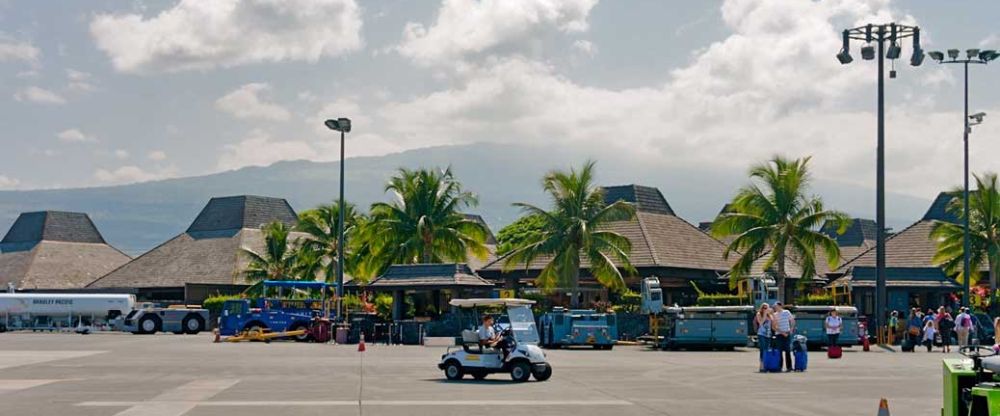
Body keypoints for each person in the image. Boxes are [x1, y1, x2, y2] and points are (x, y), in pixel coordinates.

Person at [772, 302, 796, 372]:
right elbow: (774, 327)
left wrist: (791, 329)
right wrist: (782, 332)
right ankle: (779, 367)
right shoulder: (774, 315)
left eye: (776, 306)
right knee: (779, 351)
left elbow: (792, 321)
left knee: (787, 350)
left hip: (787, 333)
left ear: (780, 306)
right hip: (779, 334)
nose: (775, 308)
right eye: (774, 307)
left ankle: (789, 367)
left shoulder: (786, 312)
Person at [754, 303, 774, 372]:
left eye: (766, 308)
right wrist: (765, 314)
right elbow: (761, 323)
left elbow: (773, 323)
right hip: (761, 334)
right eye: (764, 308)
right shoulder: (759, 314)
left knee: (767, 349)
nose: (765, 309)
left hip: (768, 334)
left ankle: (766, 365)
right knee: (762, 349)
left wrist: (772, 313)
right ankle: (761, 366)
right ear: (761, 308)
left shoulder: (770, 315)